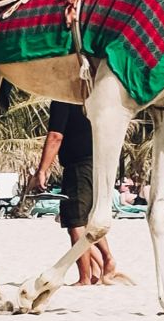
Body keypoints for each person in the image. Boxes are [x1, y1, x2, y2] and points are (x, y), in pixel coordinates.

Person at [35, 101, 124, 286]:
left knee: (76, 222)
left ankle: (85, 277)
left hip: (78, 165)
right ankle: (106, 262)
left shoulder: (62, 100)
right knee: (90, 218)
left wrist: (42, 170)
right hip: (98, 161)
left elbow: (55, 136)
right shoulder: (91, 97)